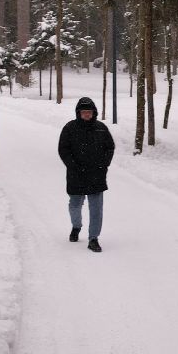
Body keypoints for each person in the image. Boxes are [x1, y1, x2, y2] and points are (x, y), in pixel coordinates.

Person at [58, 96, 114, 252]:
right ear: (79, 113)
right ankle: (76, 226)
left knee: (96, 208)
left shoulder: (101, 128)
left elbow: (110, 147)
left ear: (93, 113)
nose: (87, 115)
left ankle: (93, 238)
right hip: (76, 174)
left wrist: (104, 164)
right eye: (84, 112)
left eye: (89, 112)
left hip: (97, 174)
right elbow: (63, 149)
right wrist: (73, 165)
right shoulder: (69, 128)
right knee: (75, 205)